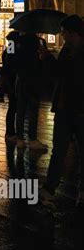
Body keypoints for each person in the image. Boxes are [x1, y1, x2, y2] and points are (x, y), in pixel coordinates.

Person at [41, 15, 84, 207]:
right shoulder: (67, 50)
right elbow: (59, 73)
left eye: (64, 32)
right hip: (65, 108)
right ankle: (49, 189)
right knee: (58, 150)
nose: (62, 35)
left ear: (73, 32)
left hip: (81, 108)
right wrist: (48, 59)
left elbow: (73, 75)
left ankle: (81, 190)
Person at [15, 33, 47, 151]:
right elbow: (42, 62)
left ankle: (20, 139)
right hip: (34, 80)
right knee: (33, 110)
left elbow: (13, 60)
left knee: (21, 110)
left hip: (21, 79)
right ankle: (32, 139)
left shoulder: (17, 42)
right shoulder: (38, 42)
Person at [0, 31, 21, 143]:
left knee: (13, 106)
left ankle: (11, 131)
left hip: (10, 81)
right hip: (11, 81)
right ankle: (10, 132)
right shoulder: (12, 49)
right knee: (13, 106)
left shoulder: (8, 49)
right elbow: (11, 65)